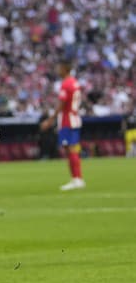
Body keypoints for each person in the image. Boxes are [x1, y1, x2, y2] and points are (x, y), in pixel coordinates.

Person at [40, 60, 85, 190]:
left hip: (68, 120)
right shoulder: (75, 82)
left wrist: (50, 120)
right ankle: (76, 178)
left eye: (59, 67)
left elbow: (62, 105)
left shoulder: (66, 84)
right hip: (74, 118)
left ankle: (77, 179)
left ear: (65, 68)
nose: (57, 70)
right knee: (69, 149)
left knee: (70, 149)